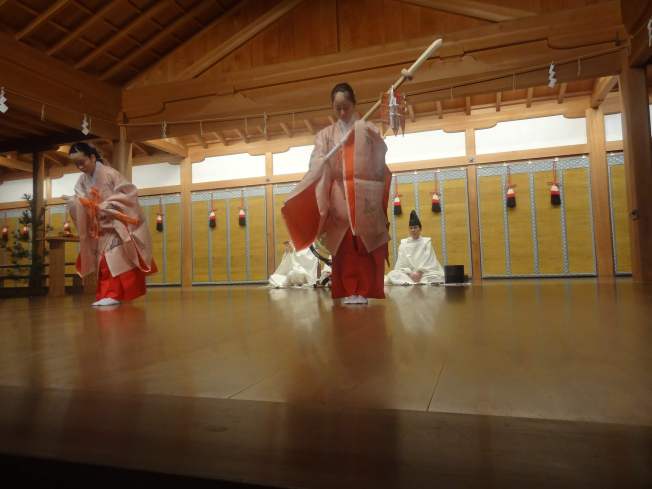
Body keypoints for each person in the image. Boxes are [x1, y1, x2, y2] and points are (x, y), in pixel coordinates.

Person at [282, 83, 391, 305]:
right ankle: (349, 289)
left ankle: (363, 290)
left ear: (354, 104)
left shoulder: (366, 127)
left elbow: (380, 155)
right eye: (338, 108)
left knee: (364, 242)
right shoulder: (325, 135)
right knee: (344, 244)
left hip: (363, 191)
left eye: (346, 107)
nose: (342, 113)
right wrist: (321, 161)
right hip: (339, 192)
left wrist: (366, 138)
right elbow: (316, 159)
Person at [64, 142, 156, 307]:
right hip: (100, 227)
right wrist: (75, 203)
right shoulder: (82, 181)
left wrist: (109, 205)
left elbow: (129, 194)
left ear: (92, 157)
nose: (79, 166)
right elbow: (80, 199)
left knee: (113, 260)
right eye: (76, 164)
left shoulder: (109, 174)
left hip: (116, 224)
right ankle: (107, 294)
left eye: (82, 161)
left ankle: (112, 294)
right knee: (105, 262)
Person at [385, 210, 444, 285]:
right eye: (411, 228)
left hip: (424, 274)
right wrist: (410, 274)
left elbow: (429, 260)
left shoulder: (426, 242)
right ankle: (414, 282)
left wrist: (420, 272)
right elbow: (401, 262)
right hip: (410, 275)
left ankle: (410, 283)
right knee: (392, 274)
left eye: (415, 227)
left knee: (438, 276)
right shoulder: (404, 244)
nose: (413, 230)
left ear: (420, 229)